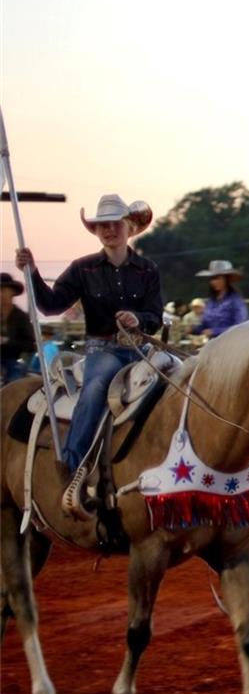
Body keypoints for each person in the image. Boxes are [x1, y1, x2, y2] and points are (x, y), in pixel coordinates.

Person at [14, 193, 163, 516]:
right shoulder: (83, 269)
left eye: (115, 223)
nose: (109, 230)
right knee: (95, 388)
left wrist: (139, 320)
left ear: (129, 227)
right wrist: (33, 273)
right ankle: (72, 466)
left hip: (143, 349)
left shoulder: (148, 269)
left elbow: (156, 317)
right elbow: (51, 306)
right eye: (101, 225)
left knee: (178, 381)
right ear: (96, 231)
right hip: (103, 349)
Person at [195, 260, 249, 339]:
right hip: (210, 343)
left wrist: (215, 331)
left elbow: (241, 326)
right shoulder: (211, 301)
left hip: (230, 343)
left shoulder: (236, 301)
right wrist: (194, 329)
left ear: (226, 279)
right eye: (212, 278)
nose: (213, 282)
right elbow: (205, 324)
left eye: (217, 278)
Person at [1, 271, 34, 384]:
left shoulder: (20, 317)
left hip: (12, 361)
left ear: (12, 292)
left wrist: (7, 342)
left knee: (15, 383)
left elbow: (30, 344)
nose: (0, 294)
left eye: (3, 290)